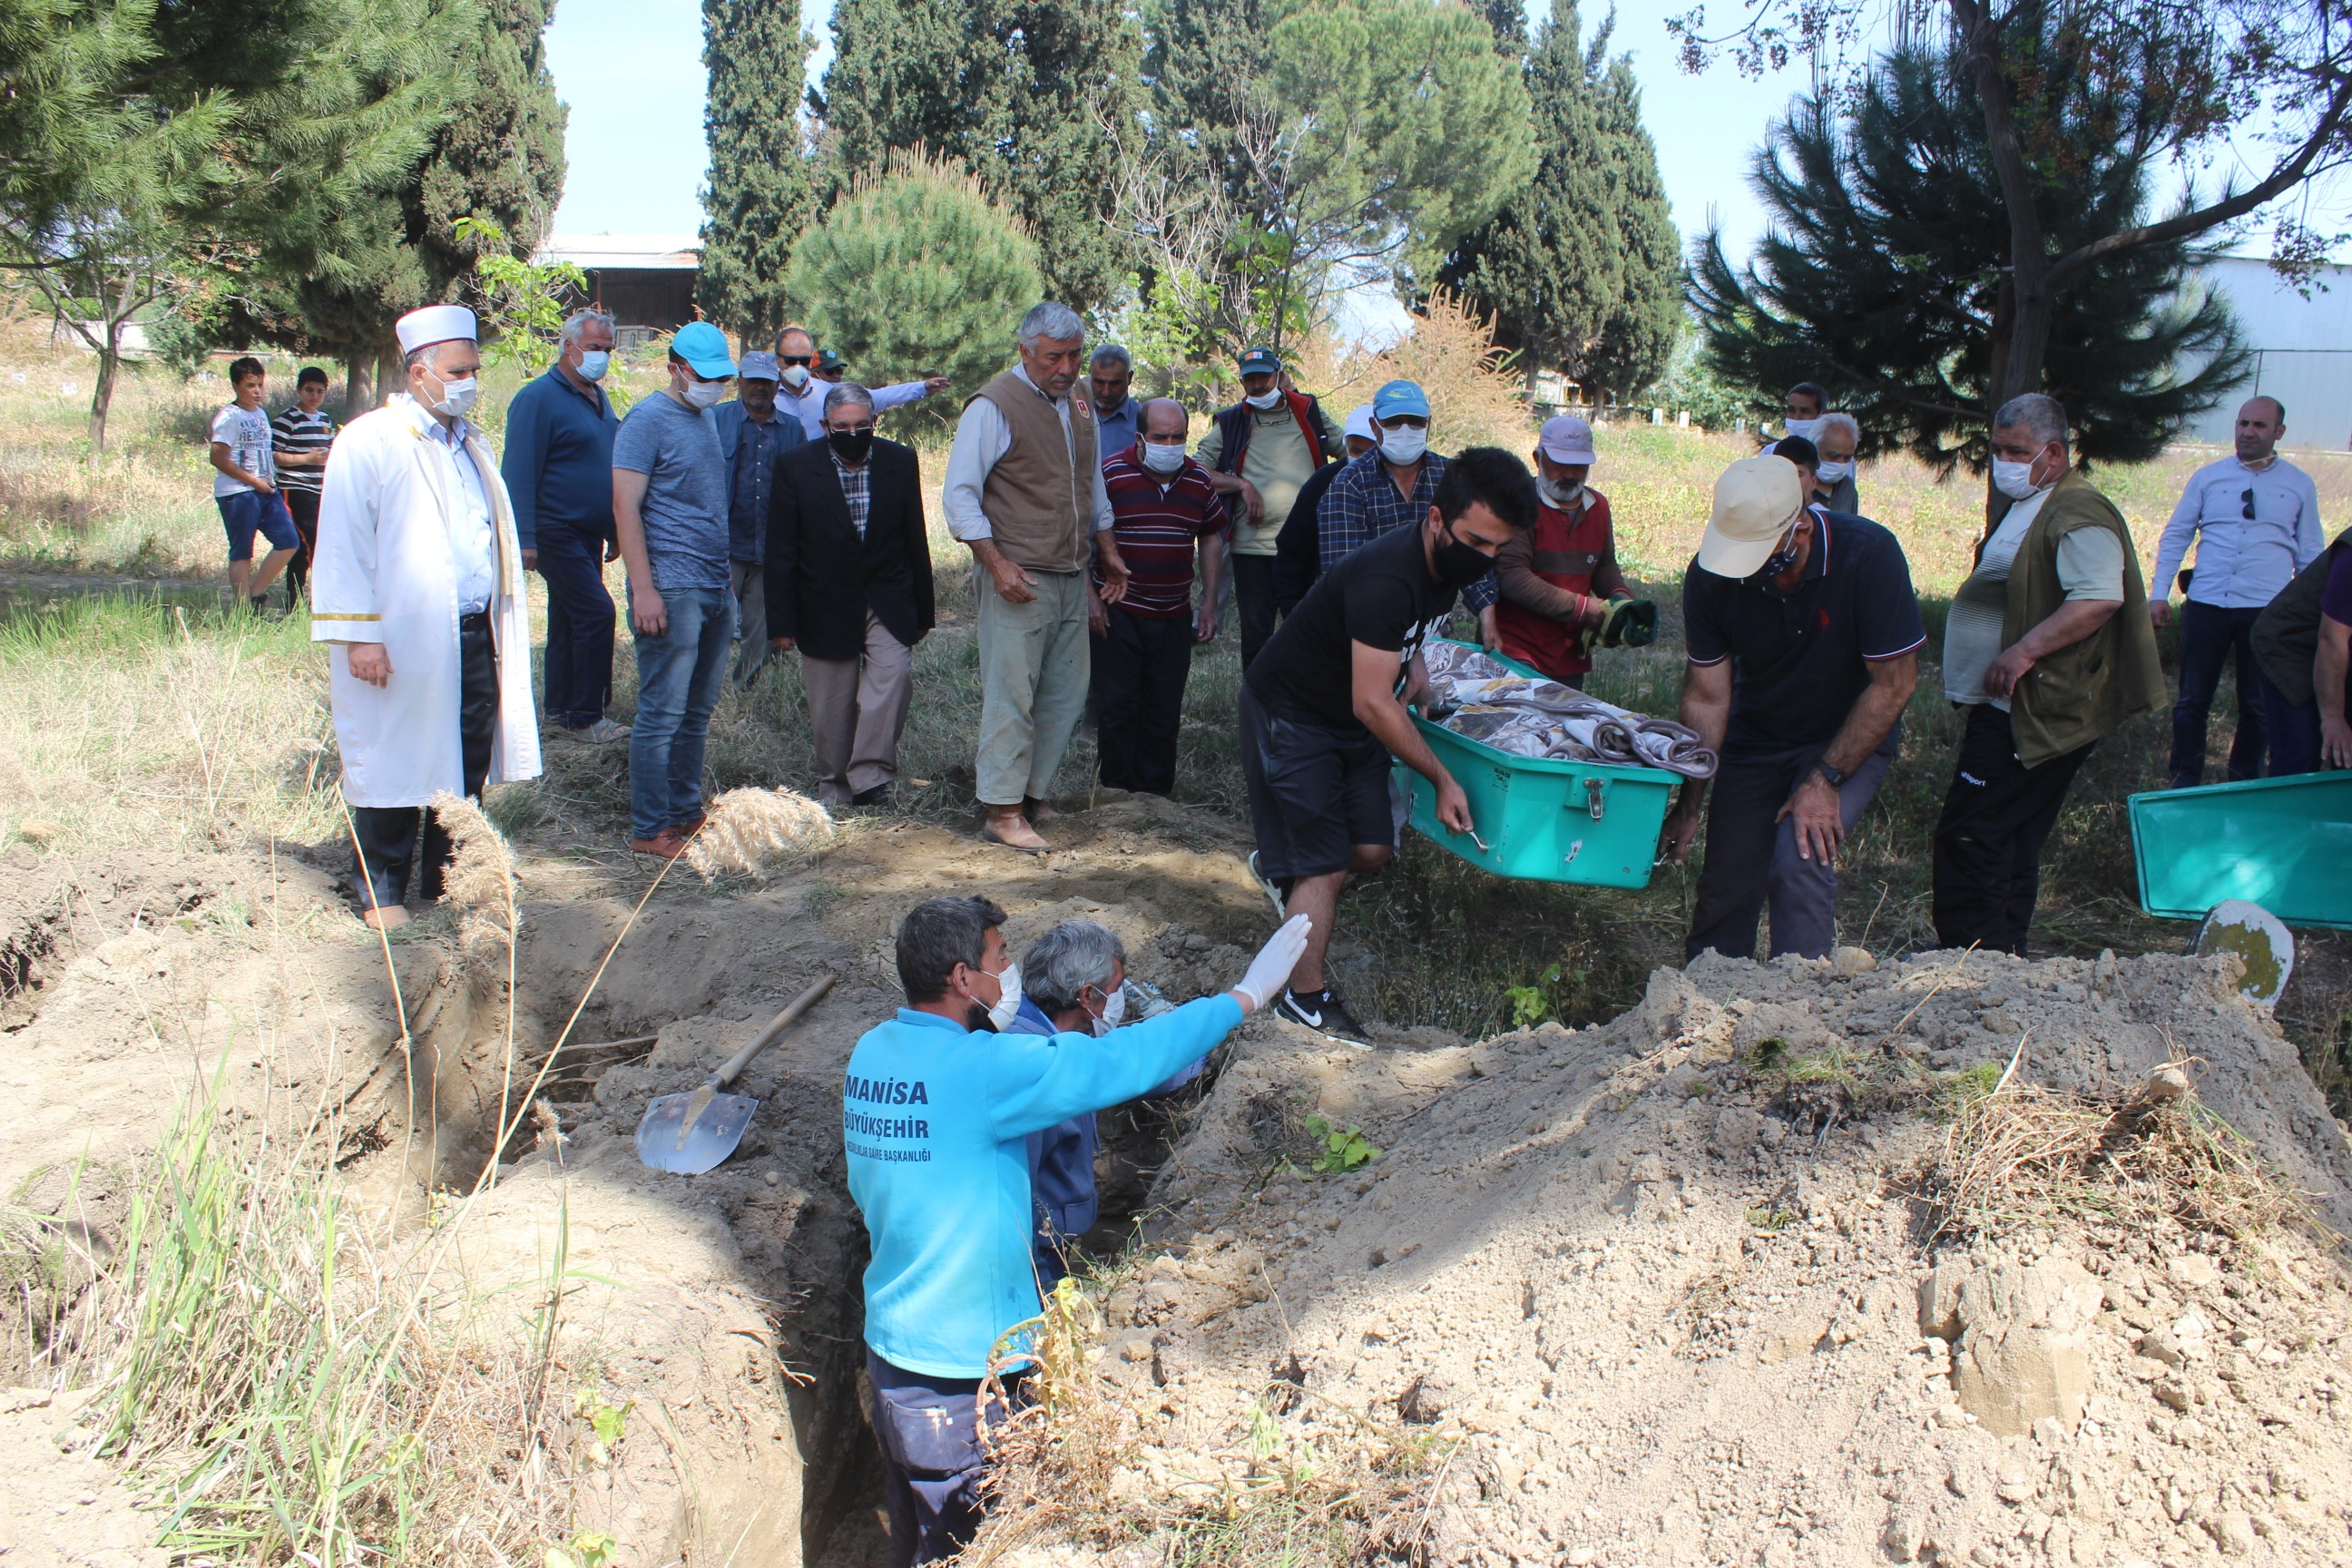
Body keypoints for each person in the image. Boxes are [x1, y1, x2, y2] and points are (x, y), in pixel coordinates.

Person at [846, 895, 1309, 1567]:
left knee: (915, 1537)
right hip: (963, 1375)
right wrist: (1241, 997)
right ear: (961, 978)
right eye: (999, 958)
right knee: (968, 1546)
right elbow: (1118, 1062)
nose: (1009, 971)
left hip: (892, 1353)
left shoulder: (873, 1053)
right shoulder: (985, 1071)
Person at [1243, 447, 1537, 1045]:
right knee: (1325, 865)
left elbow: (1407, 630)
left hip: (1346, 716)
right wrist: (1442, 779)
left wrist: (1418, 661)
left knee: (1373, 849)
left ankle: (1284, 871)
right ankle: (1302, 1001)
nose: (1483, 559)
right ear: (1436, 520)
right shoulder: (1387, 577)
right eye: (1475, 542)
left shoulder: (1444, 567)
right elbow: (1374, 703)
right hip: (1294, 715)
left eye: (1496, 549)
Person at [310, 305, 541, 929]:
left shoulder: (471, 443)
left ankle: (449, 885)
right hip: (398, 637)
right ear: (418, 374)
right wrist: (359, 634)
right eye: (458, 370)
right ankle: (381, 894)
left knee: (461, 761)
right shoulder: (369, 441)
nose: (470, 380)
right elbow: (342, 543)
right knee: (394, 759)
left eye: (474, 368)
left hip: (470, 632)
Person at [1657, 456, 1925, 962]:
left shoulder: (1868, 555)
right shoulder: (1710, 577)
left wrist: (1823, 782)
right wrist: (1691, 803)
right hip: (1758, 734)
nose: (1744, 567)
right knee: (1727, 878)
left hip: (1847, 734)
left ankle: (1796, 1011)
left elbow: (1894, 685)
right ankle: (1703, 1008)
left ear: (1798, 526)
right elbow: (1707, 697)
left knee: (1800, 855)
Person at [1933, 393, 2165, 955]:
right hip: (2013, 702)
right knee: (2010, 836)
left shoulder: (2076, 510)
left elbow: (2098, 597)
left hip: (2035, 705)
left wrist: (2022, 653)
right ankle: (2006, 958)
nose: (2003, 461)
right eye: (1997, 449)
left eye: (2017, 451)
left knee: (1975, 834)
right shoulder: (2039, 500)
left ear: (2055, 453)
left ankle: (1976, 961)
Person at [943, 301, 1132, 854]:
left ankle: (1030, 794)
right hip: (1018, 574)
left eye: (1075, 355)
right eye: (1055, 357)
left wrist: (1107, 548)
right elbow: (959, 497)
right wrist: (996, 564)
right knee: (1012, 692)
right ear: (1025, 351)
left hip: (1072, 571)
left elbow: (1090, 481)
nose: (1068, 368)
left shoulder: (1078, 403)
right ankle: (1001, 811)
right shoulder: (992, 405)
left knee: (1064, 692)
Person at [1001, 918, 1209, 1289]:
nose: (1119, 1001)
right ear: (1087, 996)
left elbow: (1126, 1066)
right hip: (1032, 1261)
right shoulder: (1038, 1065)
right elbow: (1013, 1196)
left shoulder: (1031, 1027)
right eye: (1114, 991)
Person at [768, 383, 935, 807]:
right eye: (843, 426)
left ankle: (870, 776)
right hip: (822, 600)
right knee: (831, 703)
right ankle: (835, 784)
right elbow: (782, 548)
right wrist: (781, 622)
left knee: (892, 678)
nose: (853, 433)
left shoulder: (900, 460)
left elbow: (915, 536)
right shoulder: (795, 466)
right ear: (825, 426)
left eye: (862, 425)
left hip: (888, 596)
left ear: (874, 422)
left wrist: (923, 610)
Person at [2149, 396, 2326, 787]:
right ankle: (2184, 780)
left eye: (2259, 426)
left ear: (2278, 432)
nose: (2248, 431)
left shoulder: (2299, 485)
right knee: (2192, 699)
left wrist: (2316, 616)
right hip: (2207, 604)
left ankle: (2244, 781)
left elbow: (2312, 555)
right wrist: (2159, 593)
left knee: (2259, 705)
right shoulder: (2208, 478)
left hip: (2267, 611)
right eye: (2242, 423)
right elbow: (2177, 533)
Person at [612, 320, 739, 861]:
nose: (713, 386)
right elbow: (625, 507)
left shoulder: (704, 416)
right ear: (675, 369)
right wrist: (644, 589)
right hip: (673, 586)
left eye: (720, 378)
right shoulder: (647, 420)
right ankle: (650, 828)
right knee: (663, 710)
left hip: (714, 583)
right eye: (702, 376)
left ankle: (685, 811)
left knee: (697, 710)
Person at [502, 309, 630, 743]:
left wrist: (613, 526)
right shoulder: (537, 398)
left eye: (608, 349)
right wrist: (525, 538)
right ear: (568, 345)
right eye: (595, 348)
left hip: (588, 532)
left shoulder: (596, 397)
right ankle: (587, 716)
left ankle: (559, 712)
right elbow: (518, 470)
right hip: (554, 529)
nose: (602, 357)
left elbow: (603, 463)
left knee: (568, 618)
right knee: (597, 612)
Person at [1091, 398, 1229, 796]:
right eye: (1160, 436)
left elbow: (1211, 535)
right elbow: (1080, 540)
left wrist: (1208, 602)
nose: (1170, 443)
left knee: (1164, 708)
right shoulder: (1109, 474)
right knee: (1117, 706)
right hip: (1120, 611)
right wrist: (1090, 598)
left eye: (1178, 437)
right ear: (1140, 437)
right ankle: (1116, 794)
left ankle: (1155, 797)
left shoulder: (1199, 480)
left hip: (1173, 614)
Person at [1317, 380, 1500, 645]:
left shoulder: (1451, 477)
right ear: (1374, 426)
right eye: (1394, 422)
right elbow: (1346, 577)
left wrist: (1487, 610)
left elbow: (1471, 547)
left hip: (1433, 627)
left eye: (1414, 421)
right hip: (1367, 630)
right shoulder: (1348, 485)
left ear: (1428, 423)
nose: (1405, 430)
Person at [1197, 347, 1343, 670]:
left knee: (1310, 631)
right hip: (1253, 550)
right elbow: (1196, 470)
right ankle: (1258, 711)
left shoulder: (1308, 411)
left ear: (1278, 374)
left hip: (1307, 546)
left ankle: (1302, 709)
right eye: (1251, 379)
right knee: (1256, 638)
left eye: (1264, 376)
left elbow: (1349, 451)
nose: (1259, 384)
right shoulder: (1232, 421)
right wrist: (1241, 485)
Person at [1492, 415, 1640, 688]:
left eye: (1579, 466)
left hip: (1568, 653)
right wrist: (1583, 608)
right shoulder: (1520, 505)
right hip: (1516, 650)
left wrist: (1621, 601)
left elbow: (1604, 565)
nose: (1570, 474)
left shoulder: (1598, 507)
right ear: (1537, 459)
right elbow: (1512, 577)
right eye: (1560, 464)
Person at [715, 350, 808, 687]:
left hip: (770, 545)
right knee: (715, 621)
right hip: (725, 543)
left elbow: (801, 487)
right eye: (752, 380)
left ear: (776, 386)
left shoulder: (792, 430)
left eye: (766, 382)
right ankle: (707, 692)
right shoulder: (715, 420)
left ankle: (745, 691)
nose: (759, 388)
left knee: (761, 629)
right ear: (739, 381)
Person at [2250, 523, 2352, 775]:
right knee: (2301, 756)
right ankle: (2285, 812)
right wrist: (2332, 717)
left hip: (2339, 653)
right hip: (2291, 646)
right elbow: (2331, 638)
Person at [210, 356, 299, 612]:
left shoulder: (260, 414)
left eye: (260, 384)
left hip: (266, 490)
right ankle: (242, 611)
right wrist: (252, 482)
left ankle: (254, 596)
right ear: (236, 386)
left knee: (288, 541)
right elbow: (217, 457)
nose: (257, 391)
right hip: (238, 493)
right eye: (250, 385)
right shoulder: (229, 417)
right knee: (242, 552)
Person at [1271, 402, 1376, 613]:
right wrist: (1293, 610)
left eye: (1370, 452)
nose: (1362, 460)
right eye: (1355, 451)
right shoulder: (1322, 483)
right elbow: (1292, 550)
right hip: (1327, 609)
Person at [770, 323, 949, 439]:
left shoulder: (829, 393)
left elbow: (882, 396)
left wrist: (922, 387)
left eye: (804, 361)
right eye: (791, 361)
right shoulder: (765, 399)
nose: (798, 366)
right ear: (777, 359)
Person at [270, 366, 336, 602]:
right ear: (299, 390)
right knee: (310, 541)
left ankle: (294, 602)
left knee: (302, 546)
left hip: (320, 489)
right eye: (309, 390)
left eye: (320, 391)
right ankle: (317, 596)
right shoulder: (287, 419)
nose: (314, 396)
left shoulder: (325, 419)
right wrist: (307, 458)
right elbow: (274, 455)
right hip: (295, 488)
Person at [1087, 344, 1142, 459]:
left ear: (1129, 378)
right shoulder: (1073, 413)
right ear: (1090, 374)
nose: (1106, 392)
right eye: (1099, 382)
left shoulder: (1144, 421)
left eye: (1114, 384)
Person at [1815, 411, 1861, 515]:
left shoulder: (1847, 489)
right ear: (1816, 450)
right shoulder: (1799, 486)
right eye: (1834, 456)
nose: (1841, 463)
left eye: (1847, 458)